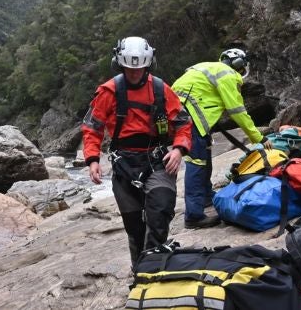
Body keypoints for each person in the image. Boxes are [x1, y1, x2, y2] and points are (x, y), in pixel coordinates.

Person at [81, 36, 192, 268]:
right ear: (119, 64)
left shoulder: (161, 90)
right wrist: (92, 159)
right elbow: (93, 128)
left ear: (147, 64)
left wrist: (180, 149)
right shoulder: (108, 92)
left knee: (160, 211)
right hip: (124, 164)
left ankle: (153, 267)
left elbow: (182, 122)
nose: (134, 73)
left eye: (139, 68)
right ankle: (139, 270)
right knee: (135, 227)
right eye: (129, 68)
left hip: (157, 160)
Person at [171, 48, 272, 229]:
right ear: (239, 65)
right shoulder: (228, 74)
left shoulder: (207, 66)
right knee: (196, 162)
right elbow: (237, 111)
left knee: (203, 156)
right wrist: (259, 137)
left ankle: (207, 197)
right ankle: (193, 216)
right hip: (191, 117)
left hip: (180, 113)